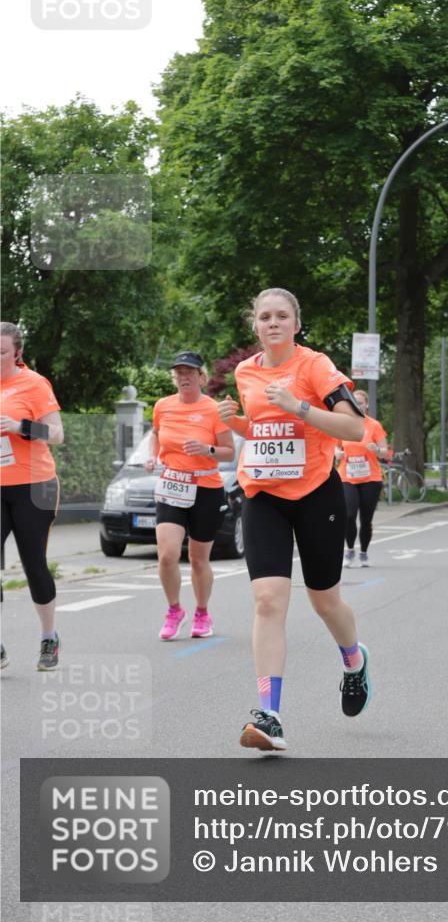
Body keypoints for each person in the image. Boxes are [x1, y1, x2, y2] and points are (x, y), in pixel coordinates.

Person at [218, 288, 369, 752]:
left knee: (325, 602)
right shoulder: (245, 372)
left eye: (282, 316)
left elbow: (355, 428)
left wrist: (299, 406)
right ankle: (270, 715)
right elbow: (264, 429)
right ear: (255, 326)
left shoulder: (316, 366)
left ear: (296, 324)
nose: (273, 323)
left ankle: (353, 660)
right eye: (265, 317)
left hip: (315, 493)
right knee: (267, 600)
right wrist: (236, 423)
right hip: (263, 494)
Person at [146, 351, 234, 641]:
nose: (183, 377)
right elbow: (156, 434)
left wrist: (207, 450)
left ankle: (202, 612)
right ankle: (174, 610)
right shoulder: (163, 406)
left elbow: (228, 451)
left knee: (198, 559)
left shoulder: (213, 409)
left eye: (189, 372)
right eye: (179, 373)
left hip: (205, 489)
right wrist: (152, 456)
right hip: (172, 485)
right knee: (167, 555)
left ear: (201, 376)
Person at [0, 322, 64, 670]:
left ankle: (49, 637)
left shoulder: (34, 384)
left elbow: (57, 434)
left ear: (17, 353)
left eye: (2, 353)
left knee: (33, 564)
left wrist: (20, 427)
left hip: (33, 486)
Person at [336, 389, 388, 567]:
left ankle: (364, 552)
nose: (358, 405)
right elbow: (334, 448)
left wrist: (376, 450)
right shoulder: (343, 424)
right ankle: (350, 550)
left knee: (366, 519)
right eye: (354, 402)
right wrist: (337, 453)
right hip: (347, 477)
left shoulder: (374, 425)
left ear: (366, 405)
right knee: (349, 515)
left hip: (370, 479)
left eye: (361, 402)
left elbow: (384, 452)